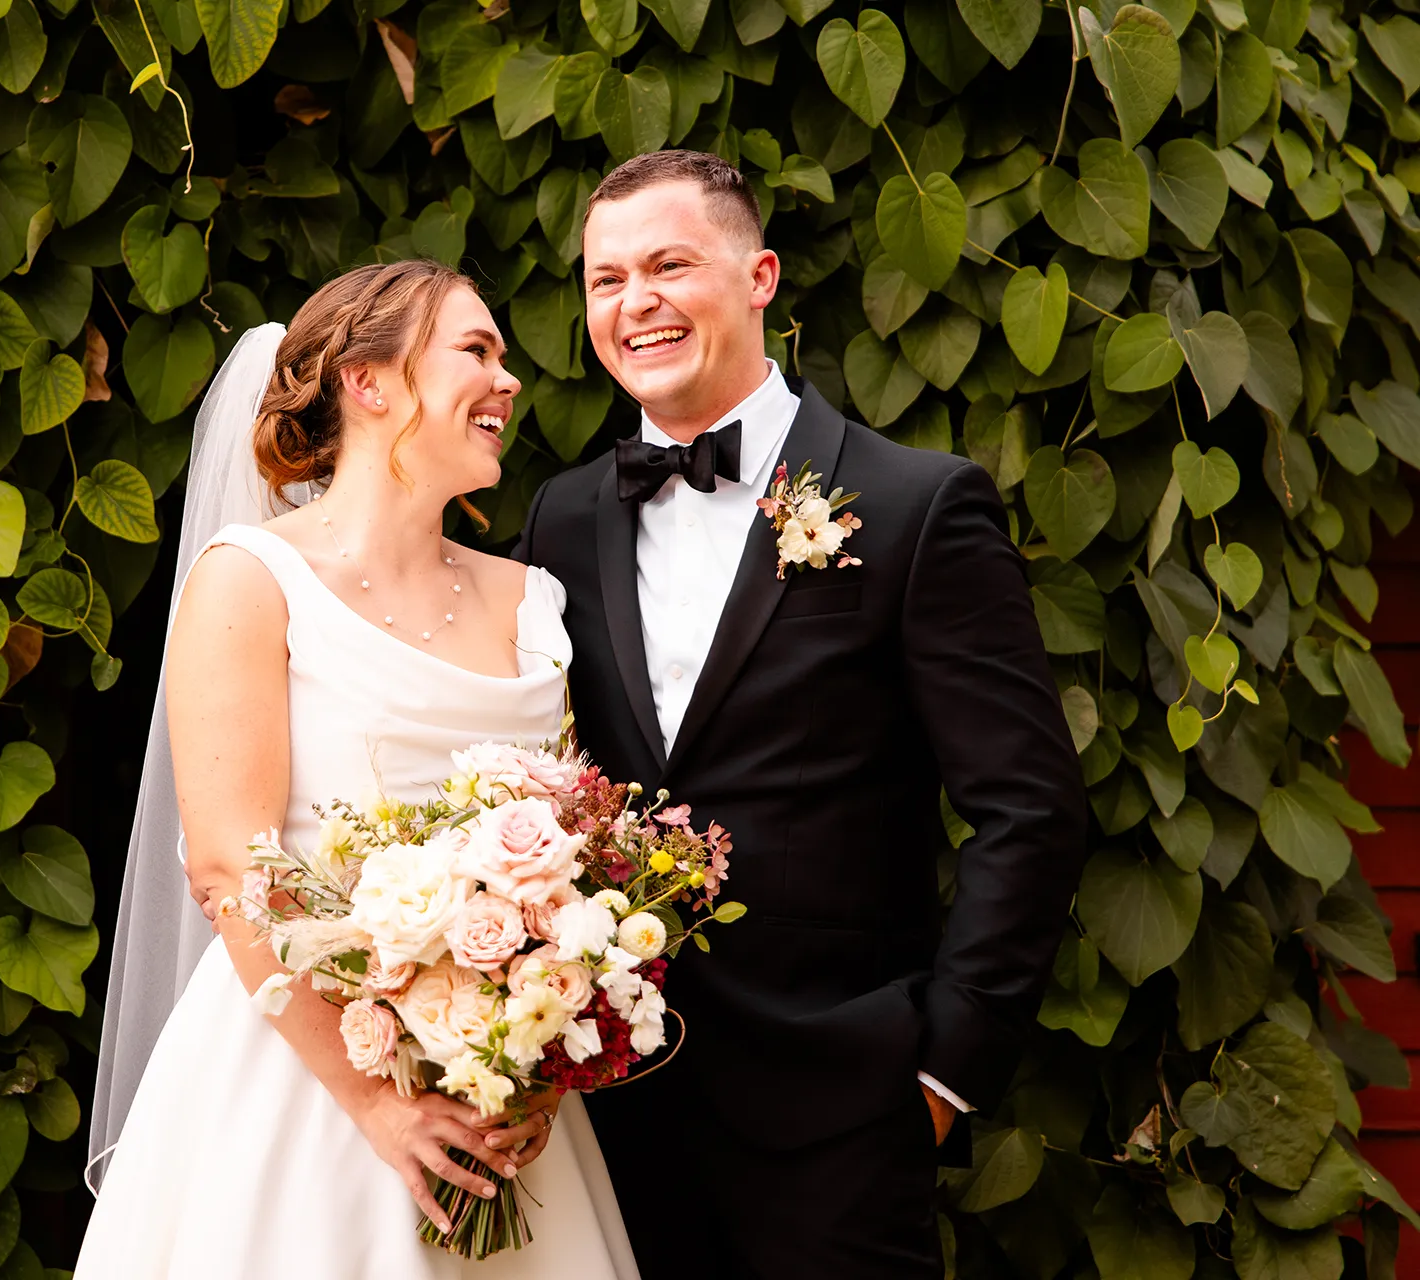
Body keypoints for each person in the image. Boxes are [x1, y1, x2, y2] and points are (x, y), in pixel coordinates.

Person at [515, 150, 1087, 1277]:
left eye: (670, 266)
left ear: (761, 275)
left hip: (842, 1119)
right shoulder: (564, 515)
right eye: (605, 278)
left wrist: (938, 1076)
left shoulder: (919, 505)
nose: (636, 304)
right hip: (611, 1121)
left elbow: (1029, 808)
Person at [76, 261, 637, 1279]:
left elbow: (569, 856)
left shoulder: (533, 600)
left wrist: (537, 1061)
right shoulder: (254, 580)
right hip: (304, 1080)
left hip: (495, 1099)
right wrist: (381, 1103)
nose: (509, 381)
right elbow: (229, 868)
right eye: (477, 350)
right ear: (368, 383)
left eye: (504, 356)